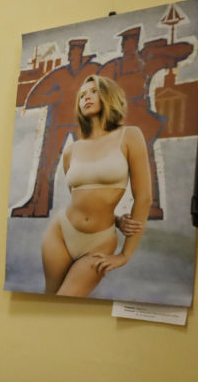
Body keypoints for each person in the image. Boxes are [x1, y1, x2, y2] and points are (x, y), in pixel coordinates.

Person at [41, 74, 151, 296]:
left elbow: (144, 197)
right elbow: (80, 197)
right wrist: (117, 218)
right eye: (82, 95)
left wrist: (124, 254)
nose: (86, 97)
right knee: (48, 301)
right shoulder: (72, 149)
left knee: (66, 300)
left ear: (109, 97)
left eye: (94, 92)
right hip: (61, 232)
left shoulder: (129, 136)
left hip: (100, 241)